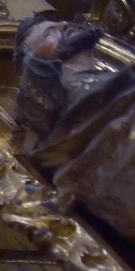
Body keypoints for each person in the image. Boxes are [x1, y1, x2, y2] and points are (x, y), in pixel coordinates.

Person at [14, 14, 135, 240]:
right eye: (50, 31)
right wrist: (38, 64)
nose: (64, 25)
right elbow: (33, 108)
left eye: (63, 24)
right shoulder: (46, 91)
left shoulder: (111, 79)